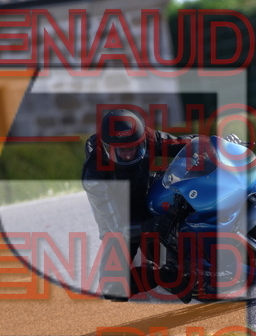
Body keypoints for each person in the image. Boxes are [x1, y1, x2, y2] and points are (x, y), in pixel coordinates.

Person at [82, 108, 194, 303]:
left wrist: (218, 144)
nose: (127, 156)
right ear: (108, 148)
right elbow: (118, 227)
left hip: (148, 195)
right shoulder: (93, 176)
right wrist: (152, 225)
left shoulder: (148, 138)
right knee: (113, 288)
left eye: (133, 148)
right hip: (120, 218)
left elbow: (182, 143)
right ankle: (164, 275)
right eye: (121, 150)